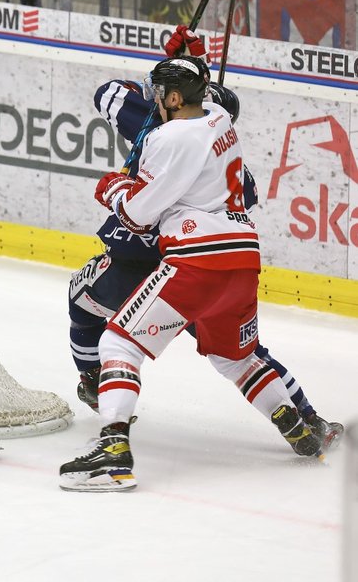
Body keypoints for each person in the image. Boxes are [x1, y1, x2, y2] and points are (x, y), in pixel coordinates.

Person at [59, 56, 324, 492]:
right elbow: (179, 111)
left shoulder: (166, 138)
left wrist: (114, 189)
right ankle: (298, 424)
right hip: (242, 257)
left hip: (195, 260)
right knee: (237, 357)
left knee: (118, 342)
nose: (154, 100)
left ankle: (112, 454)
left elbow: (142, 215)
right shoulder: (220, 120)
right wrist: (180, 61)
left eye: (161, 93)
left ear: (176, 97)